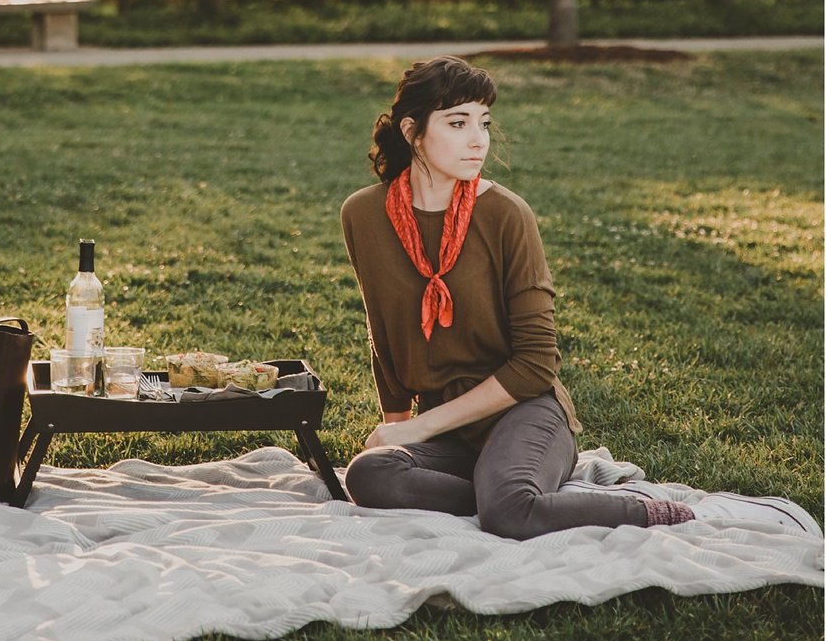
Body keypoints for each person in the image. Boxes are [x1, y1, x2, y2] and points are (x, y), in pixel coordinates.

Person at [340, 55, 819, 539]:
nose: (478, 139)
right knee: (369, 473)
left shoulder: (506, 214)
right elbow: (383, 331)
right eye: (457, 122)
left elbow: (535, 365)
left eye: (484, 122)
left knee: (508, 513)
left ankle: (670, 514)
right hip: (450, 432)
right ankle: (516, 493)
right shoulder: (362, 214)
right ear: (411, 131)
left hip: (525, 411)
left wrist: (418, 429)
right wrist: (394, 431)